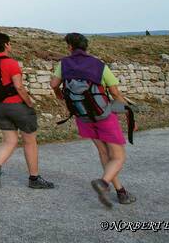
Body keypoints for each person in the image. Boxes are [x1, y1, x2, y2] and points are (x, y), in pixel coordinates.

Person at [50, 32, 137, 207]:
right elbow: (114, 94)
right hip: (103, 115)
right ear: (86, 47)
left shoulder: (64, 64)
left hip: (82, 116)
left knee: (104, 153)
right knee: (118, 156)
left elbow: (53, 85)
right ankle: (104, 183)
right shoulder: (99, 66)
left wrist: (60, 95)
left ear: (70, 47)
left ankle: (120, 191)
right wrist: (129, 115)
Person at [0, 32, 54, 189]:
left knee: (10, 140)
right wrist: (29, 103)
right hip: (16, 105)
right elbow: (19, 86)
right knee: (29, 141)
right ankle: (34, 179)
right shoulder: (11, 63)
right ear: (7, 44)